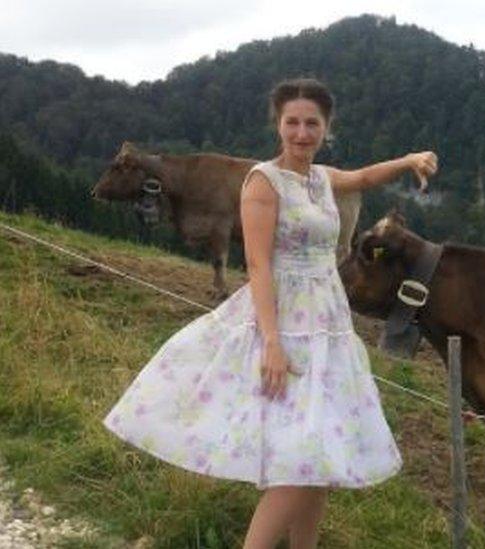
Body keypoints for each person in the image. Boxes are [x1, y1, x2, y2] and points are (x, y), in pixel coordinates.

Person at [102, 77, 438, 548]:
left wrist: (408, 161)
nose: (302, 133)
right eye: (293, 123)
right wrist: (272, 342)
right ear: (278, 125)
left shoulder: (320, 179)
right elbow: (257, 263)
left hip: (328, 323)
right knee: (298, 456)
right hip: (285, 320)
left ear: (326, 129)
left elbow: (361, 178)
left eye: (312, 124)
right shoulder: (263, 181)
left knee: (317, 457)